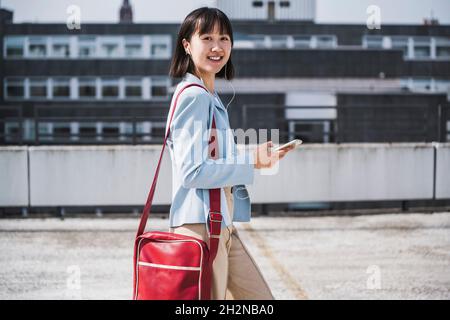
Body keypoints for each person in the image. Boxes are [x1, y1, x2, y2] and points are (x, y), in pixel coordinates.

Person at [165, 7, 295, 300]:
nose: (217, 46)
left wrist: (256, 156)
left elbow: (212, 159)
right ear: (187, 45)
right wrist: (250, 161)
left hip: (221, 226)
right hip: (201, 228)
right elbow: (192, 171)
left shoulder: (209, 97)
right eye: (207, 37)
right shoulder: (195, 97)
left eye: (224, 38)